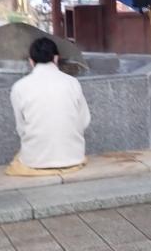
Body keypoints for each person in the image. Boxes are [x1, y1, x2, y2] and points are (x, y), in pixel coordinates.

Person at [7, 37, 90, 176]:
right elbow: (84, 120)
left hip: (35, 160)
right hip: (74, 156)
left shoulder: (19, 87)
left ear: (31, 61)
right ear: (56, 58)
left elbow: (21, 128)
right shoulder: (72, 82)